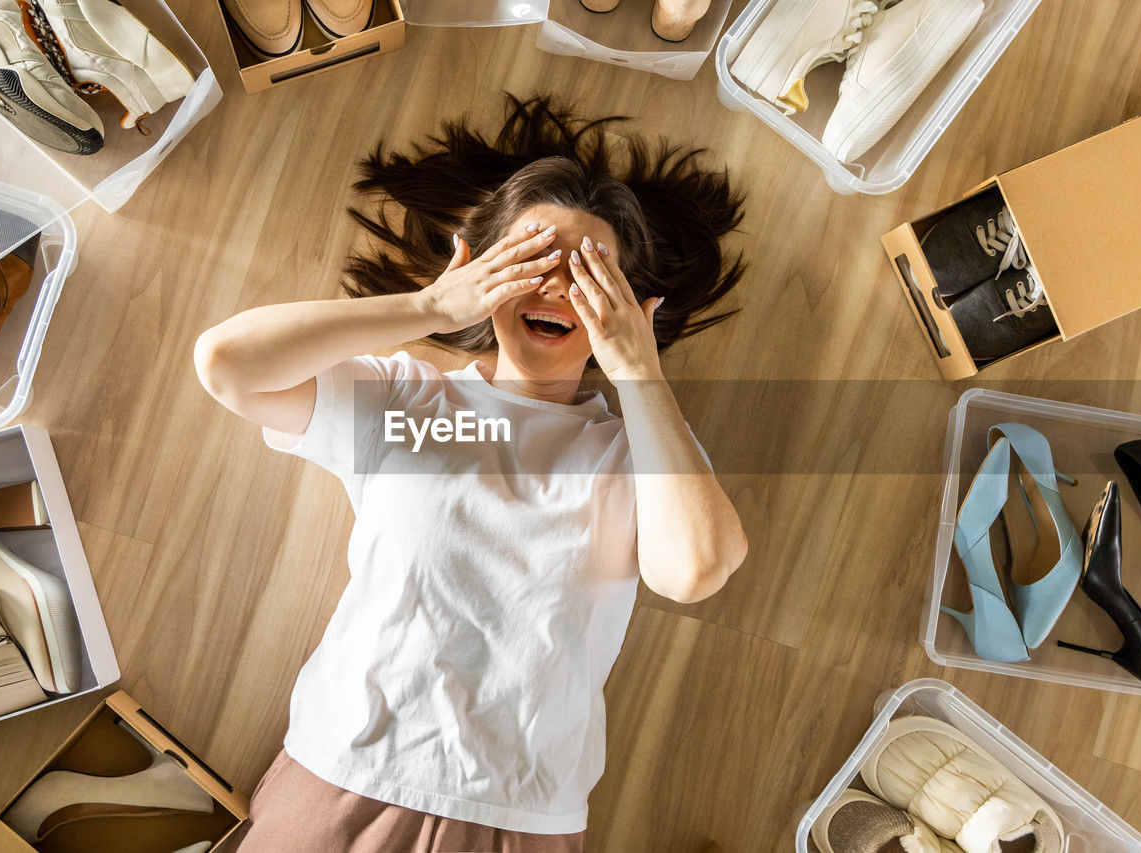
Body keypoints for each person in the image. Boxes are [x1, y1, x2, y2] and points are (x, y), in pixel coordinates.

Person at [195, 97, 749, 853]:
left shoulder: (637, 454)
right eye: (531, 259)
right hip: (343, 780)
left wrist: (639, 371)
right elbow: (227, 366)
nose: (555, 286)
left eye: (586, 274)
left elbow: (696, 570)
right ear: (482, 270)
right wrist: (428, 305)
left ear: (630, 309)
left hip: (521, 821)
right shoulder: (407, 402)